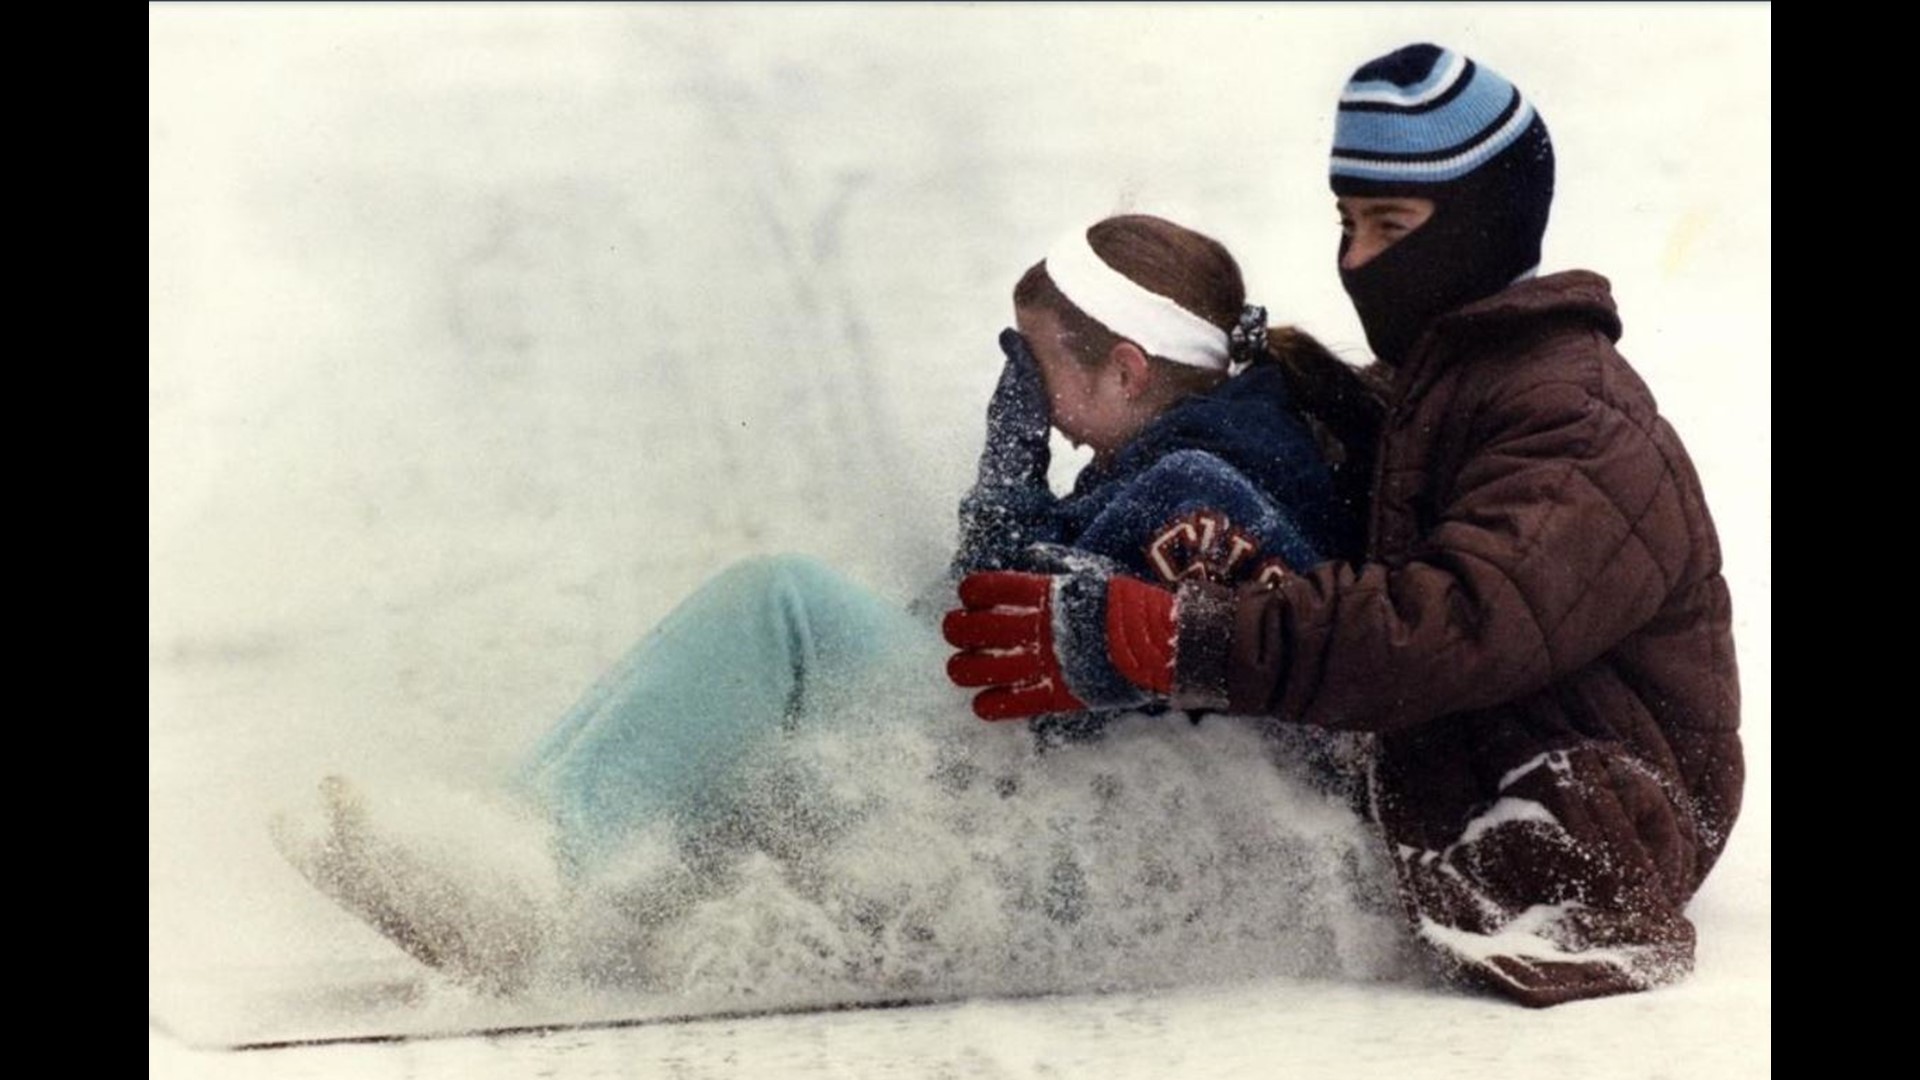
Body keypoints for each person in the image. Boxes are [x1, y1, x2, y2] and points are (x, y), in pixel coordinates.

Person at [273, 213, 1358, 994]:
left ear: (1125, 370)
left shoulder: (1195, 495)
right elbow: (1005, 623)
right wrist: (1018, 480)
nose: (1045, 411)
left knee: (779, 608)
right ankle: (519, 843)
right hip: (1056, 813)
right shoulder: (1190, 460)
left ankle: (533, 873)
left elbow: (1011, 655)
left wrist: (1009, 485)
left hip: (1072, 856)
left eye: (1042, 375)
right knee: (757, 703)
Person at [943, 45, 1743, 1008]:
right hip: (1462, 764)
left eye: (1392, 225)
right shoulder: (1443, 387)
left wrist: (1167, 638)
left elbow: (1448, 624)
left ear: (1482, 227)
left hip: (1584, 813)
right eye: (1347, 223)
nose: (1357, 260)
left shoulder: (1575, 421)